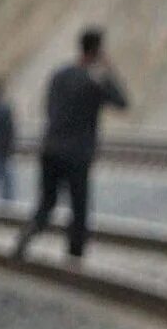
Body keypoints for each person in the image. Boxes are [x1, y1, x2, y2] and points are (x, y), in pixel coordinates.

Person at [12, 28, 128, 260]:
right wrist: (108, 70)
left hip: (51, 148)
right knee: (79, 209)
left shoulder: (60, 75)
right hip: (77, 154)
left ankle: (29, 233)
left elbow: (49, 107)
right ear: (97, 51)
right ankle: (74, 258)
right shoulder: (95, 83)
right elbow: (122, 103)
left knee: (46, 203)